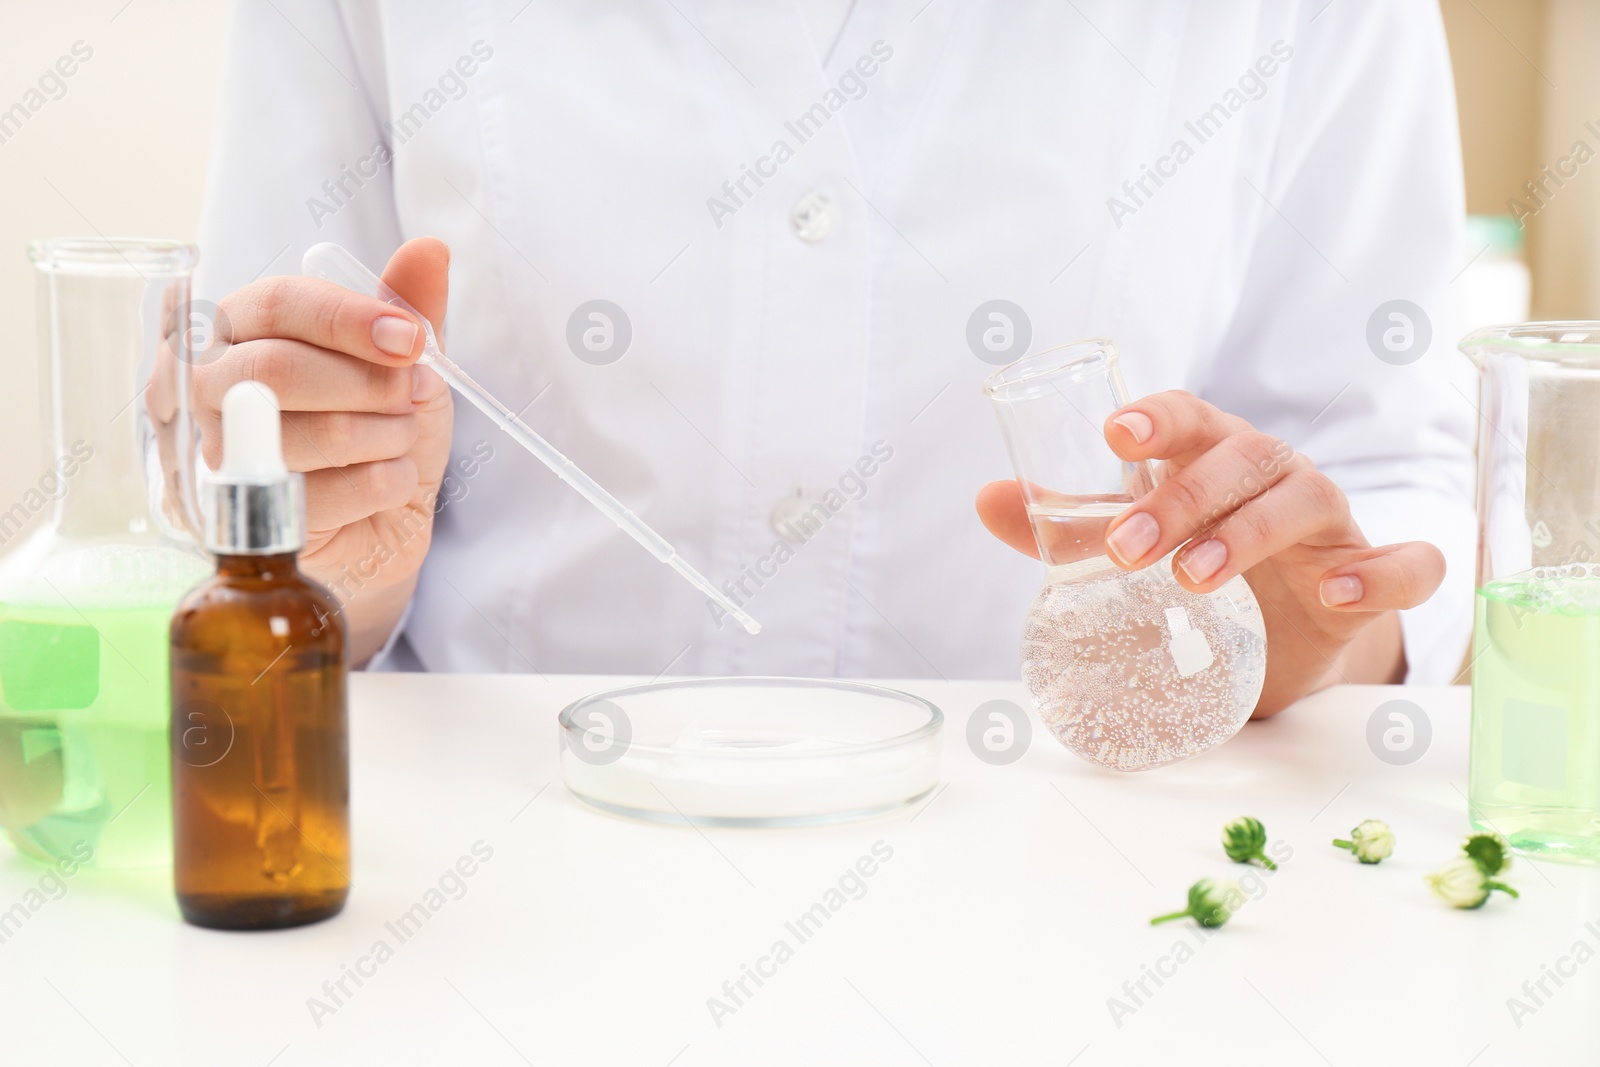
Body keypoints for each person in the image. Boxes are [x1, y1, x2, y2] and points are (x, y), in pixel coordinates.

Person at [190, 1, 1474, 715]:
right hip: (492, 867)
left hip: (1078, 864)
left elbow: (1376, 470)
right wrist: (327, 565)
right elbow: (251, 438)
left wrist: (1321, 639)